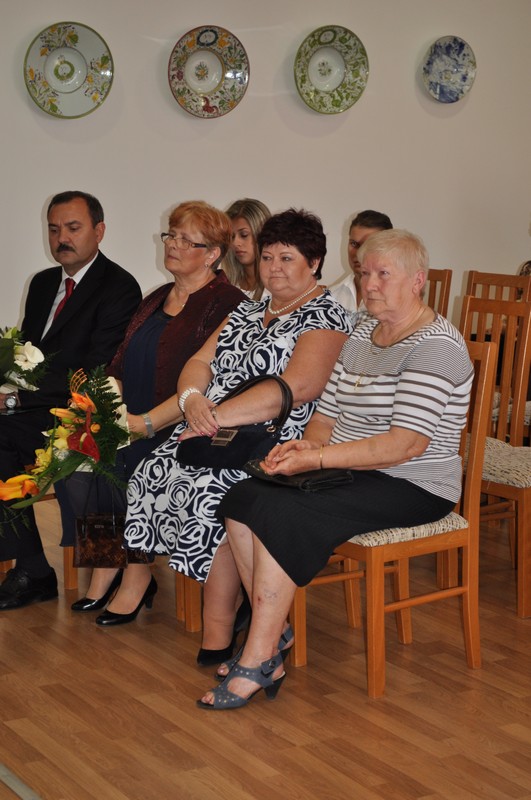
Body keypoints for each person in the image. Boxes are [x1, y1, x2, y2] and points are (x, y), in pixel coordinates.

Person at [199, 228, 474, 709]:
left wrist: (317, 459)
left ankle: (260, 655)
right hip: (355, 469)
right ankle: (273, 634)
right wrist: (303, 447)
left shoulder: (436, 345)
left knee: (282, 512)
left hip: (414, 484)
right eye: (365, 273)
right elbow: (327, 415)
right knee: (244, 498)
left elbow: (405, 445)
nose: (369, 284)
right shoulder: (364, 331)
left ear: (417, 281)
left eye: (383, 274)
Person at [97, 209, 353, 670]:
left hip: (273, 439)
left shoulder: (326, 315)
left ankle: (221, 623)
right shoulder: (247, 308)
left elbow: (297, 388)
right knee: (131, 470)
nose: (273, 268)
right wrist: (193, 398)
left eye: (287, 258)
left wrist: (207, 415)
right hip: (208, 427)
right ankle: (118, 581)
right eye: (268, 257)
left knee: (208, 490)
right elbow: (198, 363)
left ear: (314, 262)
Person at [67, 200, 246, 612]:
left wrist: (143, 424)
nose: (173, 245)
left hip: (183, 425)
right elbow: (118, 363)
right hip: (133, 417)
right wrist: (109, 412)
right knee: (89, 454)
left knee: (128, 460)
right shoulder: (157, 297)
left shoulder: (227, 302)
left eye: (186, 240)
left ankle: (137, 572)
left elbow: (213, 384)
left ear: (213, 254)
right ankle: (105, 564)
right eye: (171, 235)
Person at [0, 191, 142, 610]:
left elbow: (95, 372)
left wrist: (14, 401)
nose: (62, 238)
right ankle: (33, 569)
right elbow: (28, 356)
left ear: (99, 231)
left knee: (85, 458)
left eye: (73, 228)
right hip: (38, 411)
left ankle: (111, 567)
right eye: (54, 229)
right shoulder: (43, 283)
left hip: (85, 413)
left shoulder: (119, 287)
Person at [331, 209, 392, 313]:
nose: (358, 253)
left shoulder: (397, 297)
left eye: (368, 245)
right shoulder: (332, 296)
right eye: (354, 244)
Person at [222, 198, 271, 299]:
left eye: (244, 235)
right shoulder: (224, 285)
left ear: (262, 234)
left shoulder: (278, 286)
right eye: (231, 237)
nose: (235, 243)